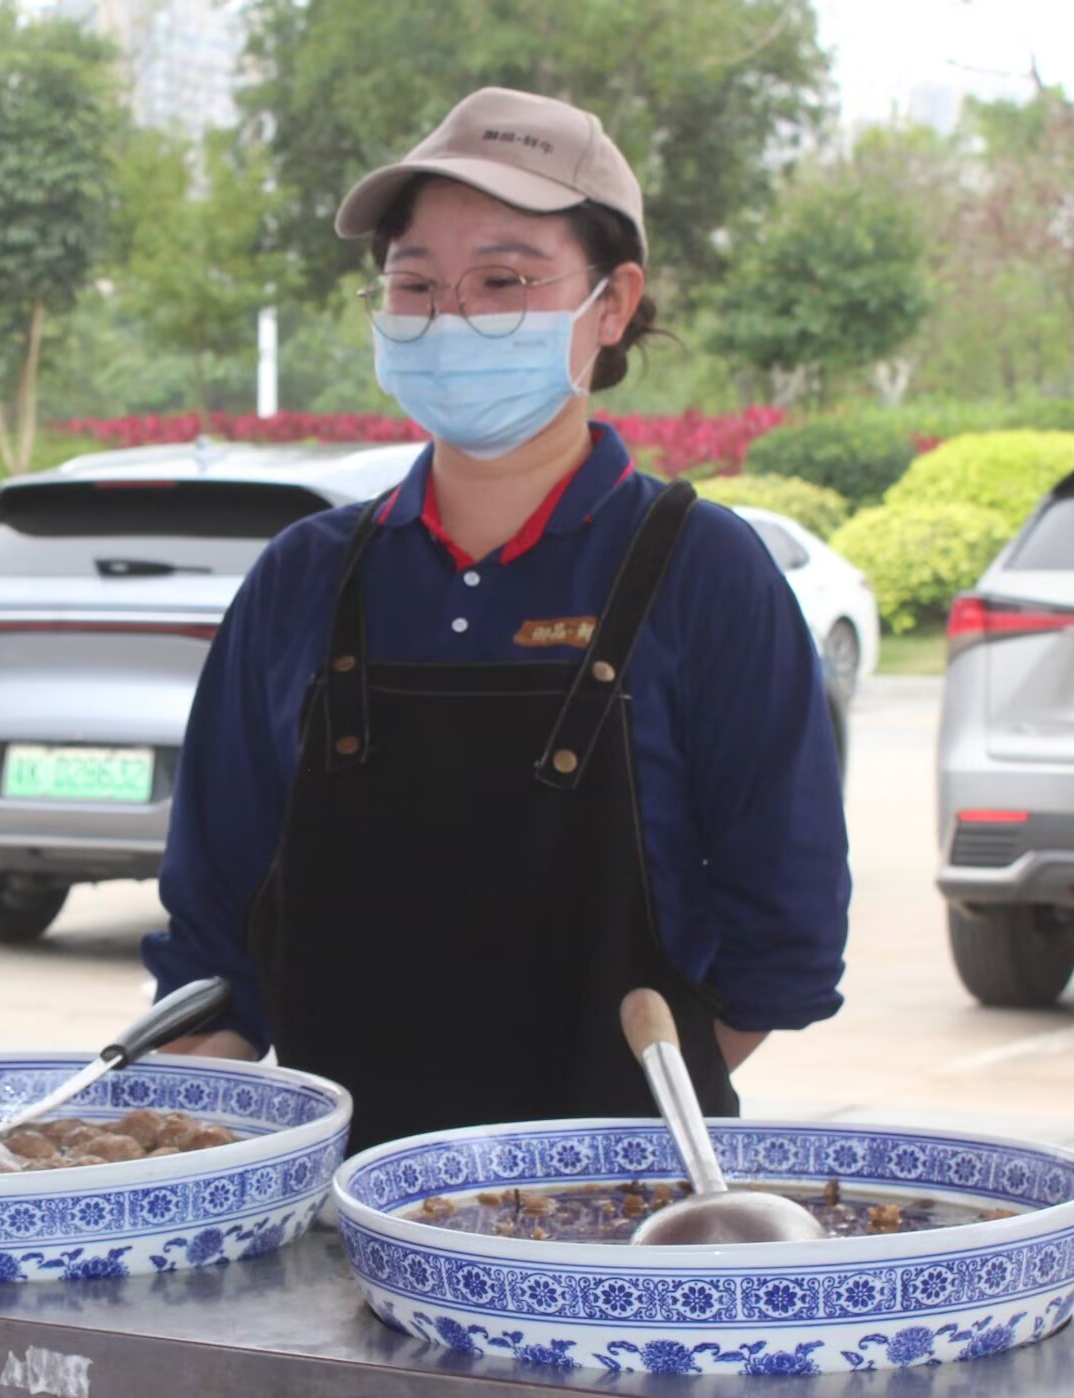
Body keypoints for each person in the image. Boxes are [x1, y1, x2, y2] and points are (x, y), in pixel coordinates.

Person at [145, 86, 850, 1155]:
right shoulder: (303, 580)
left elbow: (785, 935)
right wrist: (197, 1104)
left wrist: (605, 1133)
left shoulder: (707, 574)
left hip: (619, 1210)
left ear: (612, 305)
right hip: (335, 1196)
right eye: (416, 283)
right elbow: (214, 928)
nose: (452, 314)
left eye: (505, 281)